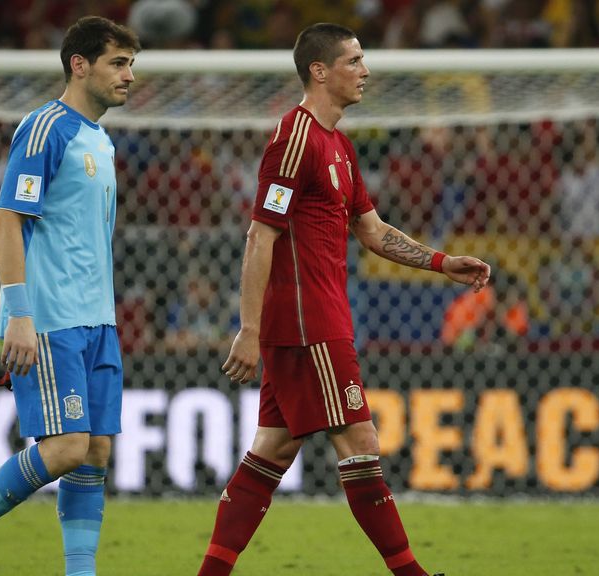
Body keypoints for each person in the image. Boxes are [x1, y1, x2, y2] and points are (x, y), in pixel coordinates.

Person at [198, 23, 490, 576]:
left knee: (272, 451)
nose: (366, 70)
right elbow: (261, 234)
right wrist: (250, 328)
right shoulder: (294, 139)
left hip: (318, 317)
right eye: (354, 61)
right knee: (359, 439)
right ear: (320, 71)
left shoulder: (339, 146)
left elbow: (373, 231)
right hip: (308, 321)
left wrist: (441, 262)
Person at [0, 16, 140, 576]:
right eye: (118, 63)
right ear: (80, 64)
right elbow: (6, 221)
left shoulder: (101, 139)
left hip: (98, 319)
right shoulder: (46, 128)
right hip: (50, 316)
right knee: (68, 446)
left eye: (131, 65)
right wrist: (18, 313)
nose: (129, 76)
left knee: (94, 453)